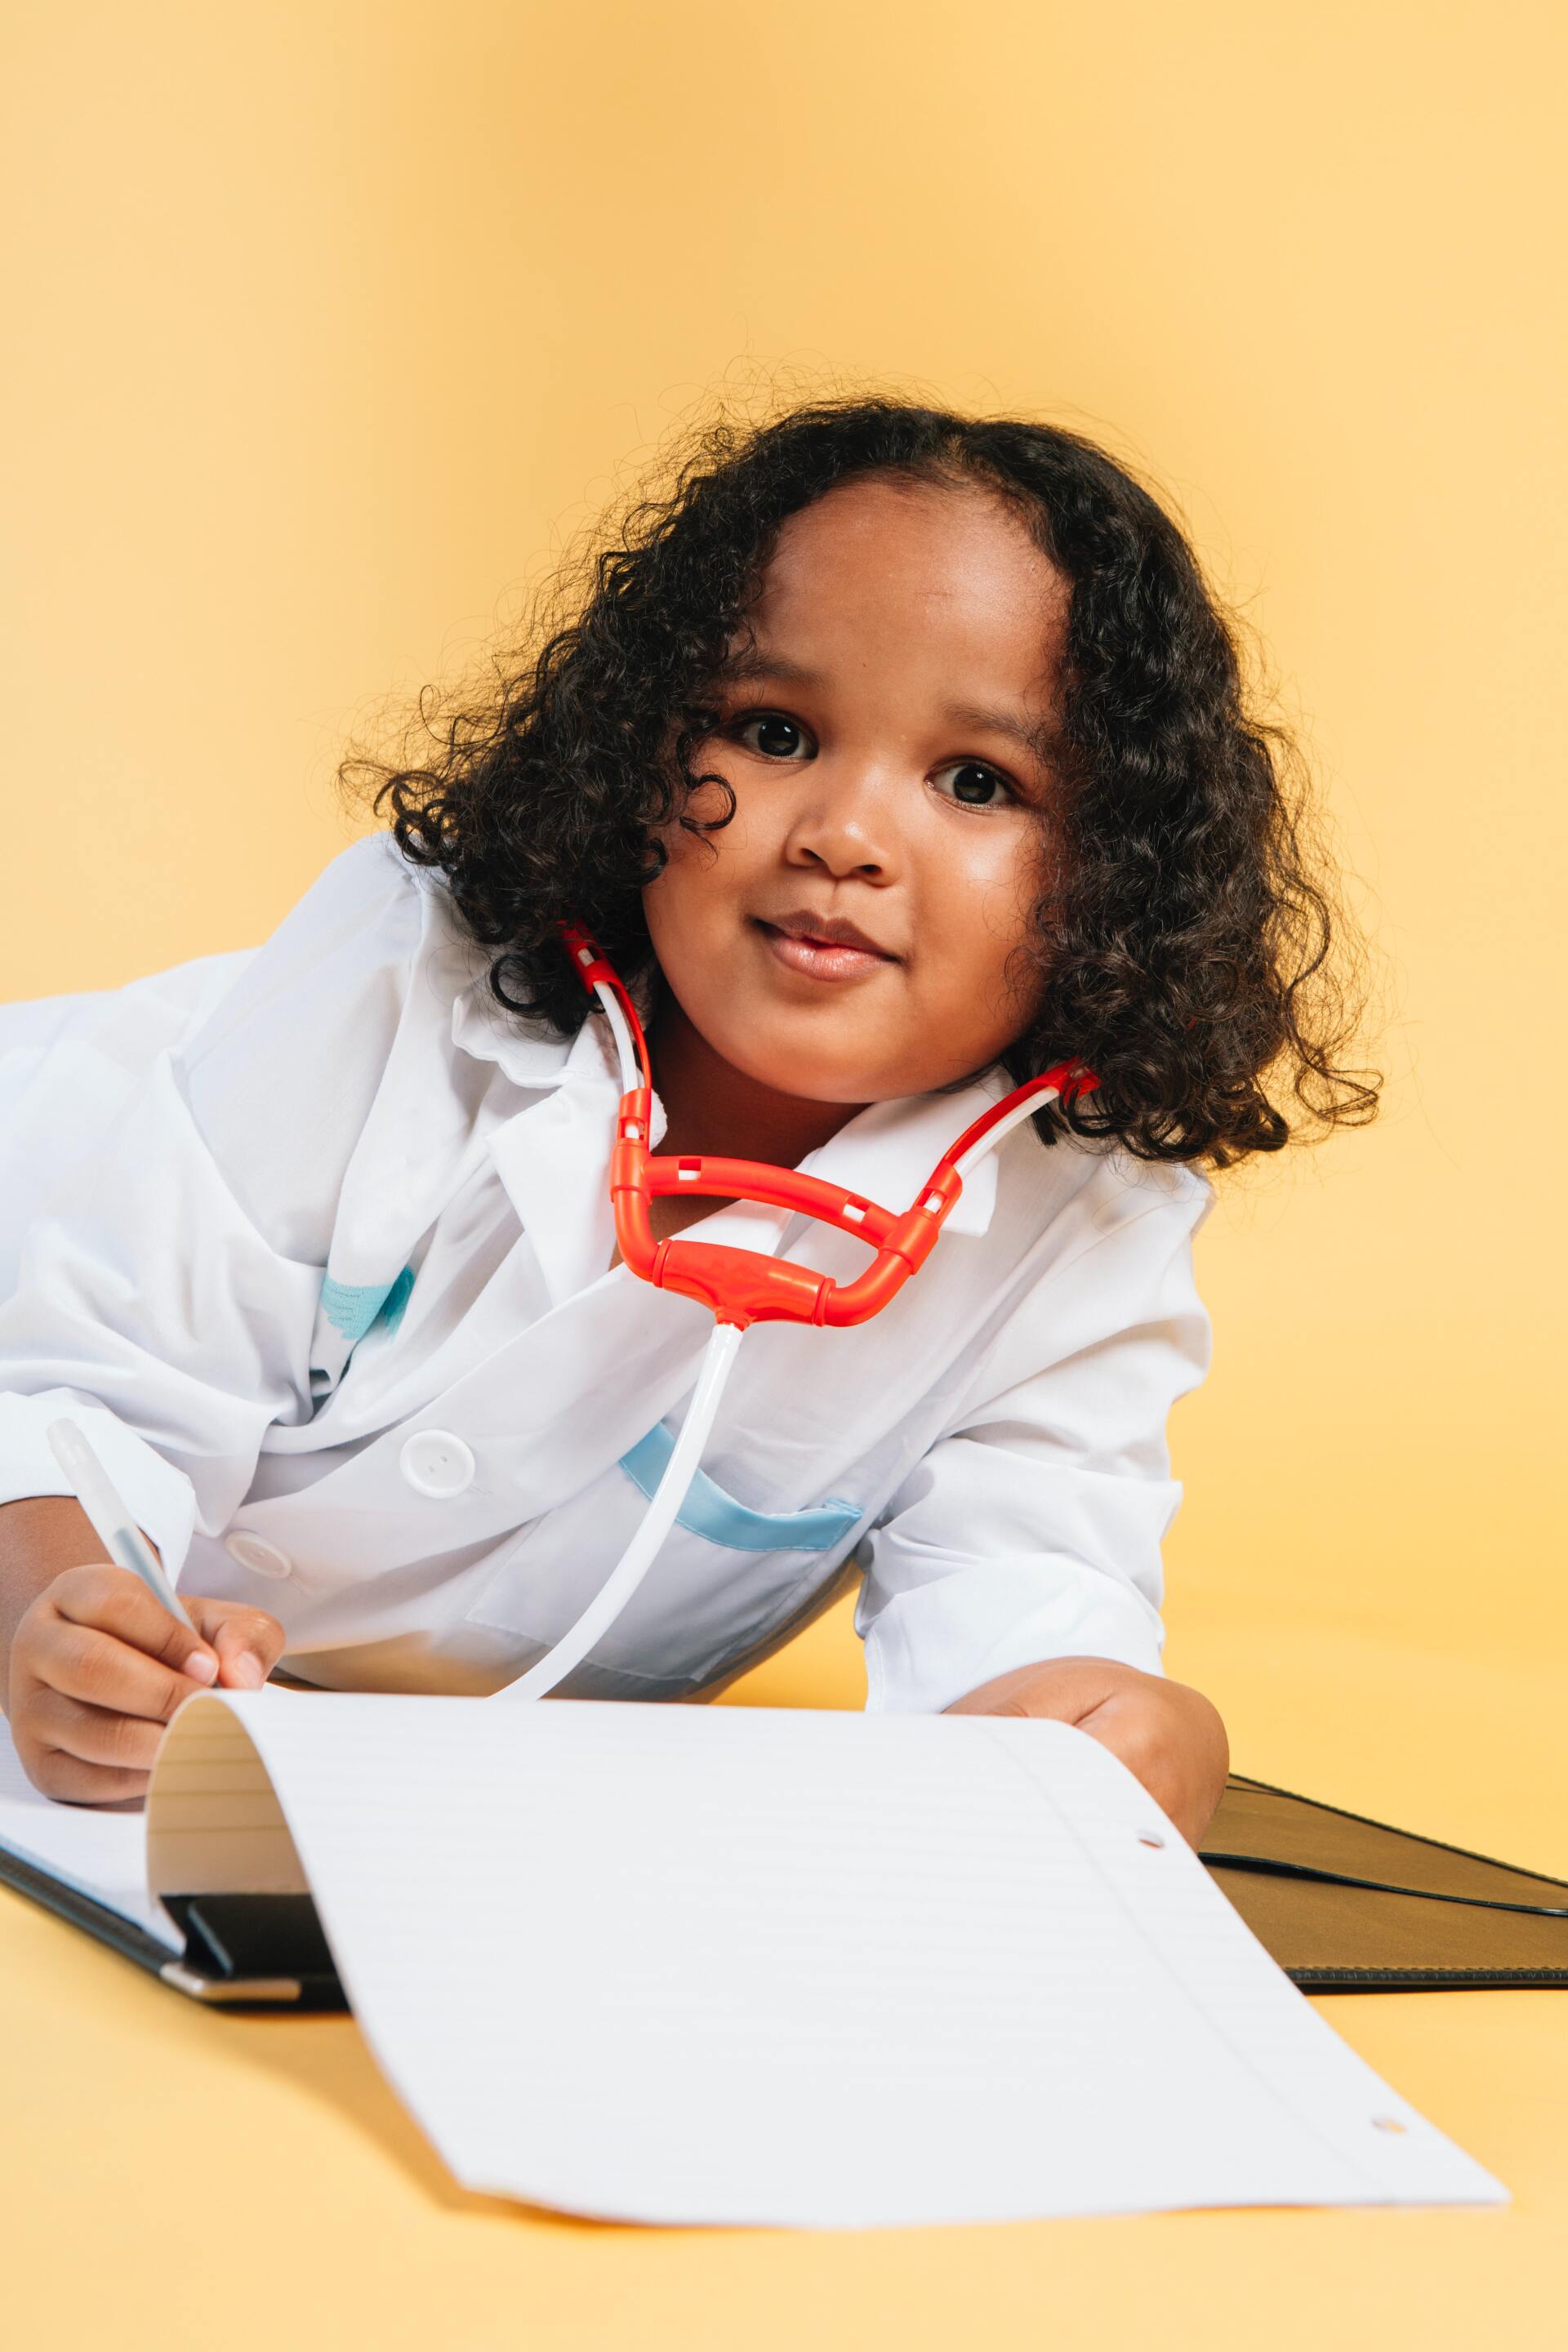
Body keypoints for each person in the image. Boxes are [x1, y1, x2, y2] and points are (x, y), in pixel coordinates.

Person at [0, 399, 1376, 1842]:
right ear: (640, 750)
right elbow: (86, 1388)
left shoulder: (1084, 1223)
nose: (841, 834)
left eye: (977, 781)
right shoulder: (403, 975)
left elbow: (1024, 1595)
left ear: (1114, 873)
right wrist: (66, 1616)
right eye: (773, 731)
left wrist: (1124, 1716)